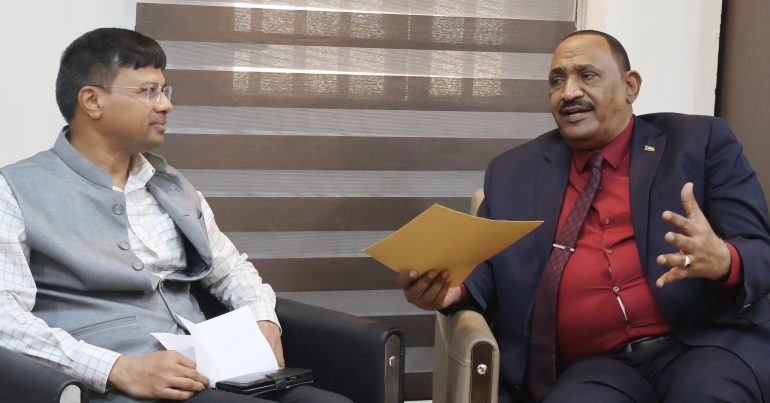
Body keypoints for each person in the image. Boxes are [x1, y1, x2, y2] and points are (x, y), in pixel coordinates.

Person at [398, 30, 770, 403]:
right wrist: (453, 289)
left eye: (586, 75)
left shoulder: (698, 141)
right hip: (596, 366)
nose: (568, 92)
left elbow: (759, 251)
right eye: (556, 81)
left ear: (630, 86)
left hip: (701, 343)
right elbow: (489, 268)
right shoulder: (514, 172)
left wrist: (725, 261)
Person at [0, 28, 352, 403]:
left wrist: (264, 319)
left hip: (209, 372)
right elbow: (5, 318)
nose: (165, 105)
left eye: (165, 91)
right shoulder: (14, 190)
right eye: (148, 91)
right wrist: (116, 369)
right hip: (117, 386)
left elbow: (230, 269)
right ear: (92, 101)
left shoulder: (171, 184)